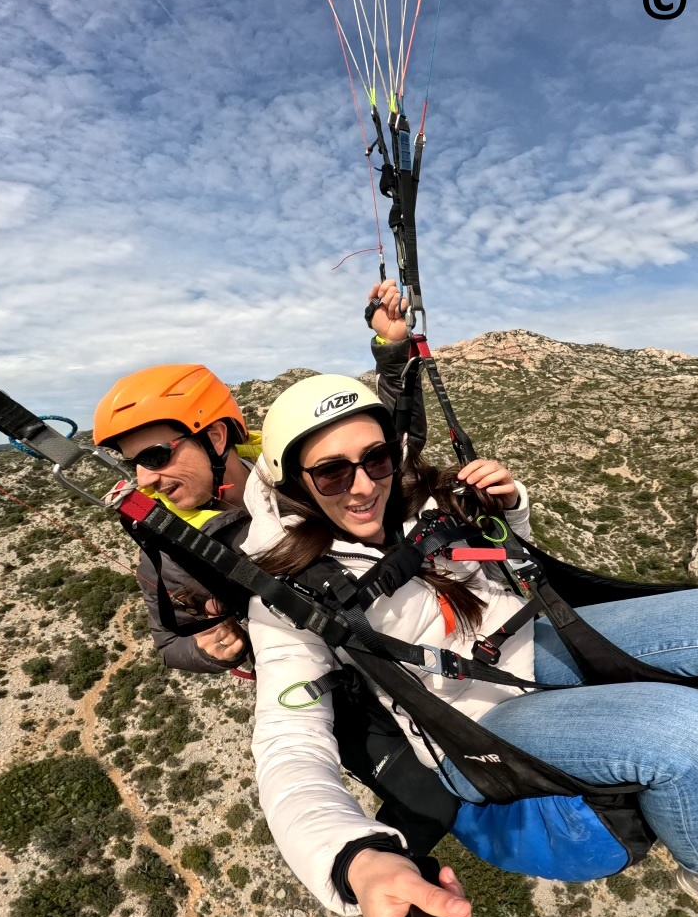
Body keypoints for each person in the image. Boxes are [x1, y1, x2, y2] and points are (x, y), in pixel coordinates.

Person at [241, 374, 698, 917]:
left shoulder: (419, 501)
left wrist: (510, 511)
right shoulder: (289, 595)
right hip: (478, 725)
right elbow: (289, 747)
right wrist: (351, 857)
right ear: (291, 483)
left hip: (533, 642)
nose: (362, 486)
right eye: (332, 472)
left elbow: (503, 570)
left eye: (377, 459)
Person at [91, 282, 455, 852]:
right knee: (437, 799)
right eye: (134, 465)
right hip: (327, 684)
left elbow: (386, 450)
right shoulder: (166, 547)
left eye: (158, 457)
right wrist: (208, 649)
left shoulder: (294, 474)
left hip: (394, 634)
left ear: (214, 437)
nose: (145, 480)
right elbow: (168, 644)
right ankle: (384, 877)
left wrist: (392, 349)